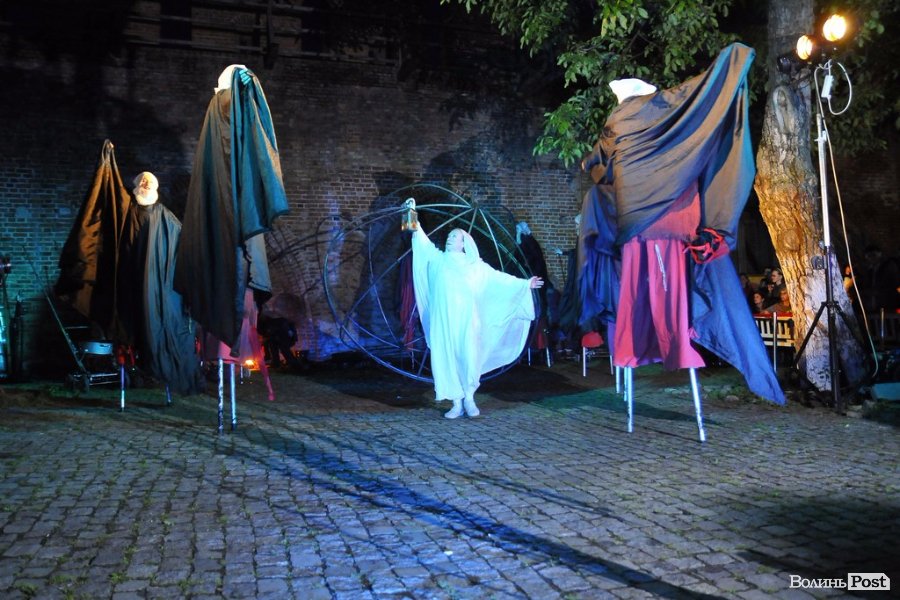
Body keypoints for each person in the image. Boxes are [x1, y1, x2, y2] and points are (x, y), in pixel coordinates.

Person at [410, 209, 543, 419]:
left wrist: (525, 284)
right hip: (444, 321)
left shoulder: (474, 266)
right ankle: (456, 402)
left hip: (467, 320)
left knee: (469, 355)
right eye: (449, 236)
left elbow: (498, 279)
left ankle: (469, 398)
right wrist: (412, 215)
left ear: (463, 243)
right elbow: (422, 243)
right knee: (447, 357)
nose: (450, 238)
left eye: (455, 236)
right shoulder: (438, 260)